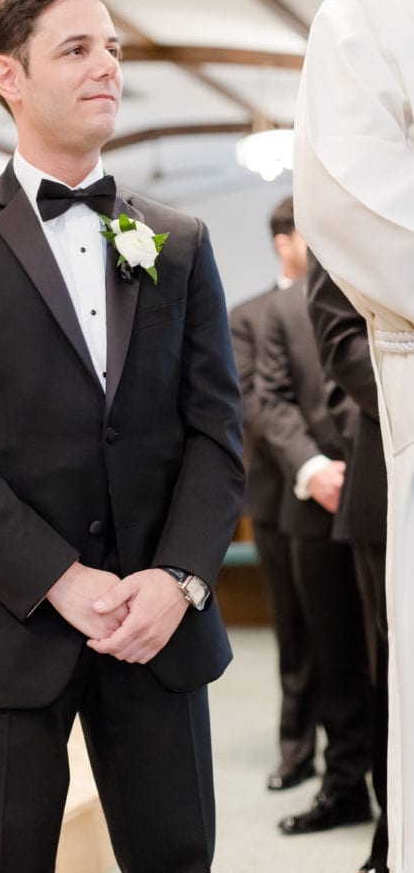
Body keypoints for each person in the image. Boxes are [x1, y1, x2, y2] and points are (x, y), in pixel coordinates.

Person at [0, 0, 244, 873]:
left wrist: (177, 580)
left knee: (176, 857)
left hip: (156, 629)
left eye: (114, 49)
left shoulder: (179, 240)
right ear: (9, 77)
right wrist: (60, 578)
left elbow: (215, 432)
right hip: (7, 629)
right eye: (77, 49)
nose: (108, 69)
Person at [293, 0, 414, 873]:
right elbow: (332, 354)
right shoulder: (369, 12)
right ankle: (368, 809)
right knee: (362, 668)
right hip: (371, 465)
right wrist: (309, 461)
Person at [256, 277, 373, 836]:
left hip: (387, 492)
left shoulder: (387, 284)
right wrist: (312, 468)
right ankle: (345, 786)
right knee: (332, 657)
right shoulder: (282, 307)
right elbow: (269, 397)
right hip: (312, 504)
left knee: (392, 654)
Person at [229, 196, 316, 792]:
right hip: (277, 493)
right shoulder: (249, 315)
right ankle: (297, 746)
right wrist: (306, 461)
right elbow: (252, 404)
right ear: (283, 242)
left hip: (343, 489)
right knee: (297, 629)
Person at [306, 249, 389, 873]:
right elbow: (342, 343)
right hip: (393, 477)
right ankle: (399, 833)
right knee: (396, 675)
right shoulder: (350, 184)